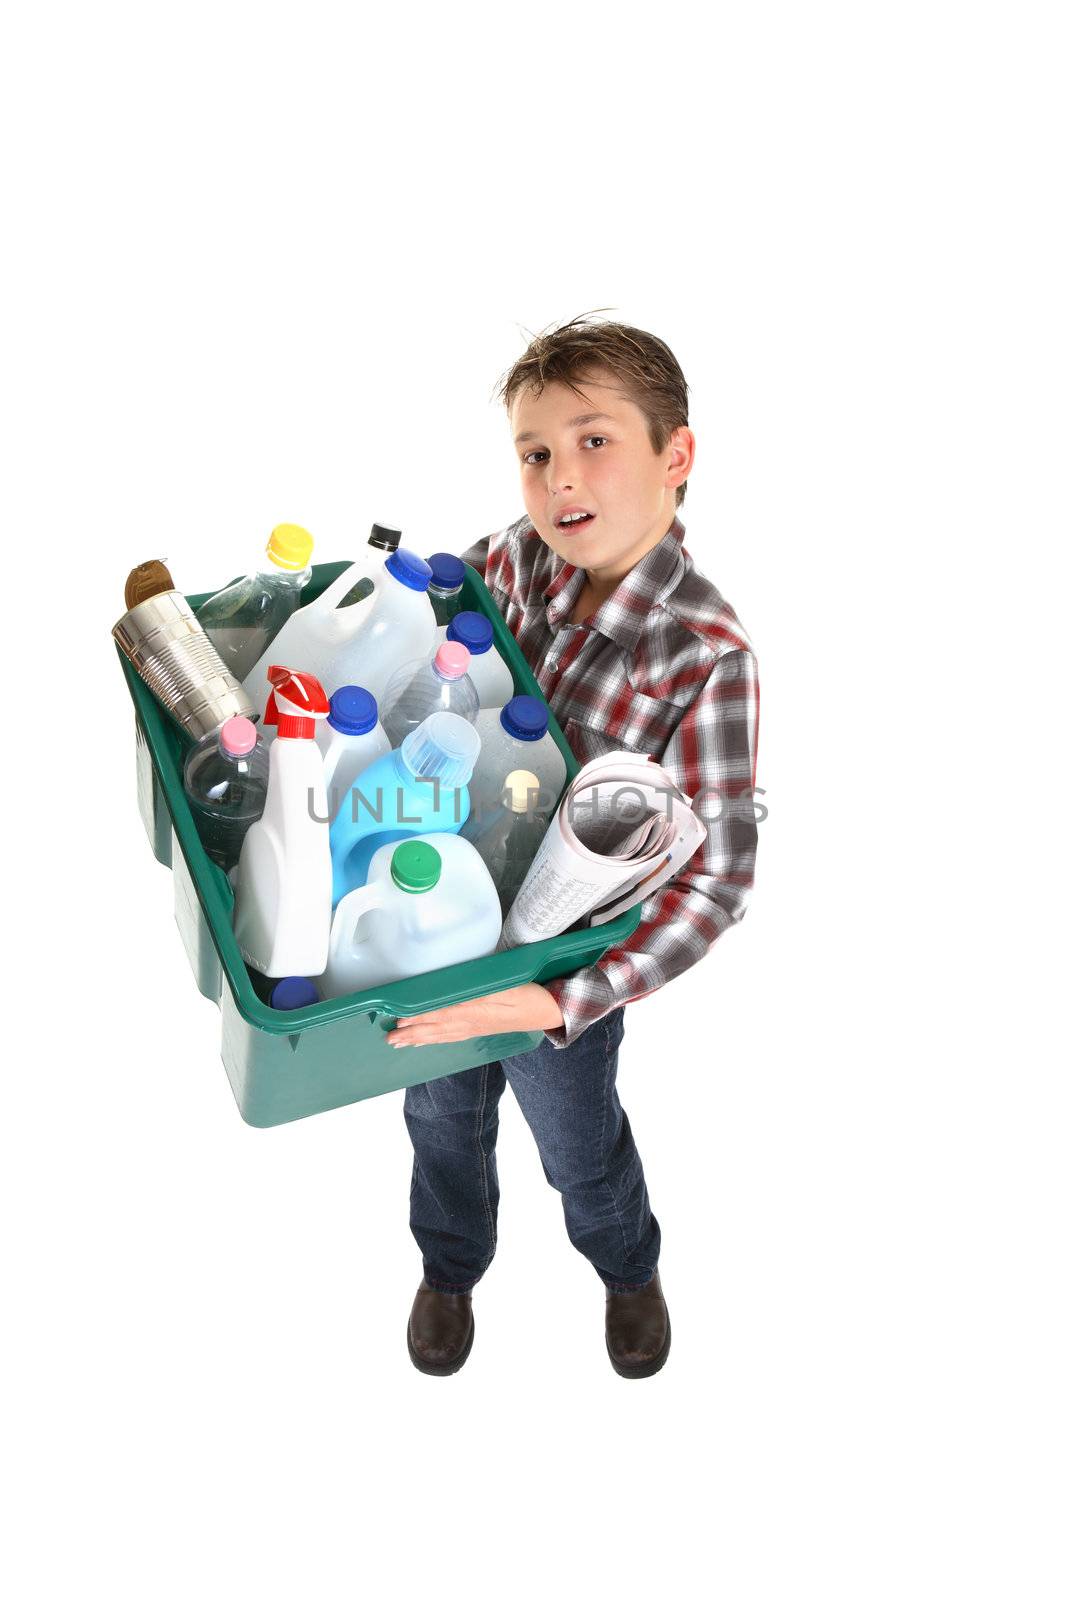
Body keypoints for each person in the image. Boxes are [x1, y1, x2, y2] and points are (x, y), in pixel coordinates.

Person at [387, 314, 761, 1378]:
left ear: (673, 456)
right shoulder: (518, 559)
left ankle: (625, 1265)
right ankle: (450, 1266)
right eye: (535, 452)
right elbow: (434, 601)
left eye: (593, 440)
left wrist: (557, 1003)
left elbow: (719, 878)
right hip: (444, 917)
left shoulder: (703, 653)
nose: (560, 478)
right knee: (440, 1123)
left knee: (579, 1152)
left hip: (562, 972)